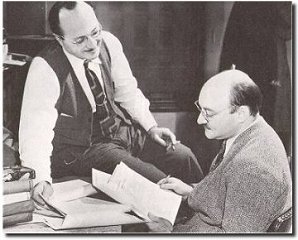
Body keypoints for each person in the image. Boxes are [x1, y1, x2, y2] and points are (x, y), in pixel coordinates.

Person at [18, 1, 203, 205]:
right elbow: (35, 132)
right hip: (85, 150)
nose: (92, 44)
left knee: (183, 157)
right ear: (59, 39)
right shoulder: (44, 67)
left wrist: (151, 127)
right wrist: (40, 178)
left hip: (121, 133)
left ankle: (211, 213)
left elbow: (127, 91)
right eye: (80, 40)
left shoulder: (109, 43)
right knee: (158, 183)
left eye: (95, 32)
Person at [146, 69, 292, 233]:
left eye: (209, 113)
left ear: (240, 113)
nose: (199, 119)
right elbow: (231, 191)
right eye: (200, 109)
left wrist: (171, 232)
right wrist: (191, 192)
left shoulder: (253, 169)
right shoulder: (249, 133)